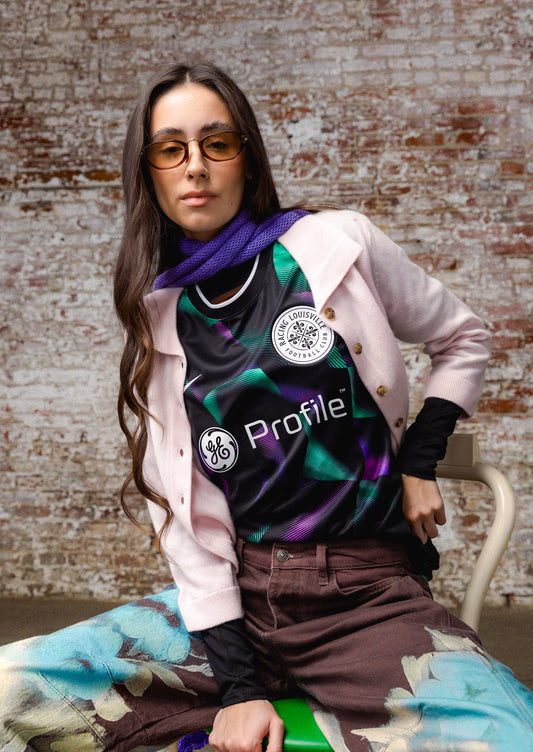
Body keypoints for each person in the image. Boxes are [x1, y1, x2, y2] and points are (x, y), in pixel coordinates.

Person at [1, 61, 532, 752]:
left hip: (366, 599)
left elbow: (461, 336)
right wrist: (240, 689)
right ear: (148, 174)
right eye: (170, 149)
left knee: (510, 736)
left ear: (246, 158)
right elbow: (189, 528)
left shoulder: (335, 245)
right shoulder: (159, 318)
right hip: (236, 604)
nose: (195, 166)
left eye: (216, 143)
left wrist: (419, 459)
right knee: (12, 688)